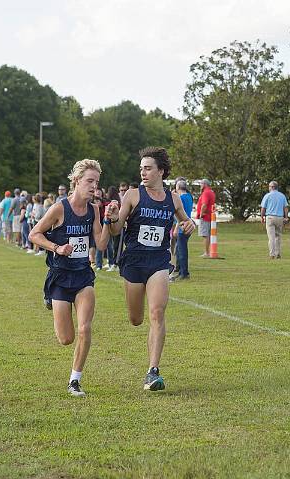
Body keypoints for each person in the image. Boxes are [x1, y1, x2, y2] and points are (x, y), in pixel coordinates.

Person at [105, 147, 195, 391]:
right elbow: (115, 231)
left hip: (158, 261)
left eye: (148, 168)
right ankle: (149, 359)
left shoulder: (173, 199)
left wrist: (190, 224)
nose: (143, 172)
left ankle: (152, 371)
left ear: (161, 171)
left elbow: (186, 220)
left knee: (157, 312)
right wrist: (112, 218)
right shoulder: (133, 195)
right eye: (141, 168)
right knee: (136, 319)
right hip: (133, 261)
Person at [29, 159, 111, 397]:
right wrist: (57, 247)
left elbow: (103, 243)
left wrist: (108, 220)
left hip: (84, 276)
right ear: (76, 181)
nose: (94, 186)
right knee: (66, 338)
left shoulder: (94, 210)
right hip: (60, 276)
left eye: (96, 182)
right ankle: (49, 297)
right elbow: (35, 234)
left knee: (85, 329)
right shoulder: (59, 209)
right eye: (89, 181)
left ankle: (75, 380)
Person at [260, 181, 289, 259]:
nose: (269, 188)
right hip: (280, 218)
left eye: (269, 186)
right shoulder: (282, 196)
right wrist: (286, 217)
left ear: (272, 187)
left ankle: (272, 254)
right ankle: (278, 253)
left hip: (270, 217)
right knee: (278, 236)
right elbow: (285, 208)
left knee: (271, 237)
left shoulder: (267, 196)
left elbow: (263, 208)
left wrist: (262, 217)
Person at [172, 178, 194, 281]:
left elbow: (179, 215)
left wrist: (176, 229)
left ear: (178, 187)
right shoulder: (189, 196)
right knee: (181, 250)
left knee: (181, 251)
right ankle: (181, 271)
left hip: (182, 227)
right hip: (188, 225)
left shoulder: (181, 198)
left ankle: (184, 273)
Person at [195, 179, 215, 258]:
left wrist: (201, 214)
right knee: (208, 235)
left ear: (205, 184)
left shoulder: (206, 193)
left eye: (201, 184)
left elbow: (204, 204)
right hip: (210, 216)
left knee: (205, 235)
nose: (200, 185)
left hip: (205, 217)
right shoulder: (211, 192)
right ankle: (208, 251)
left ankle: (206, 252)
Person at [106, 186, 122, 272]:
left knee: (116, 245)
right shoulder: (117, 202)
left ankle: (116, 264)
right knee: (114, 245)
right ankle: (113, 263)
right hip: (114, 223)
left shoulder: (112, 202)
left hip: (116, 224)